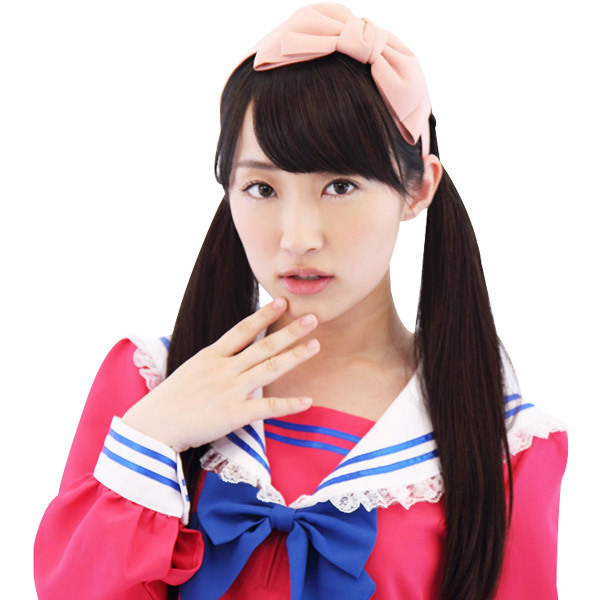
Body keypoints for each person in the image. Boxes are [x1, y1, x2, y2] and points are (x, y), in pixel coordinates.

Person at [33, 3, 568, 599]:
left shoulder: (504, 442)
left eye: (339, 186)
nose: (297, 237)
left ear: (418, 188)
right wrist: (153, 437)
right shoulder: (150, 384)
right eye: (261, 187)